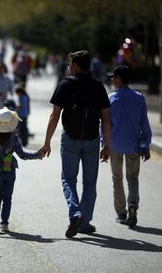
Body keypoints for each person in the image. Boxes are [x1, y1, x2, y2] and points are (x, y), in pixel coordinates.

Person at [39, 50, 111, 238]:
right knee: (90, 183)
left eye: (71, 64)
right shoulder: (98, 86)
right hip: (92, 139)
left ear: (77, 66)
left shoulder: (65, 84)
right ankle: (84, 223)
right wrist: (108, 145)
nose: (69, 67)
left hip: (70, 138)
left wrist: (47, 142)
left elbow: (54, 116)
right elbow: (106, 119)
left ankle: (75, 212)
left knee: (68, 179)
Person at [106, 65, 152, 228]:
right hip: (133, 144)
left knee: (116, 178)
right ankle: (132, 204)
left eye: (113, 77)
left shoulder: (111, 99)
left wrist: (104, 144)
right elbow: (144, 124)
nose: (111, 79)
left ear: (119, 79)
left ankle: (121, 213)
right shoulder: (139, 97)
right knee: (132, 178)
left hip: (115, 145)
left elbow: (106, 124)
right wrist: (146, 144)